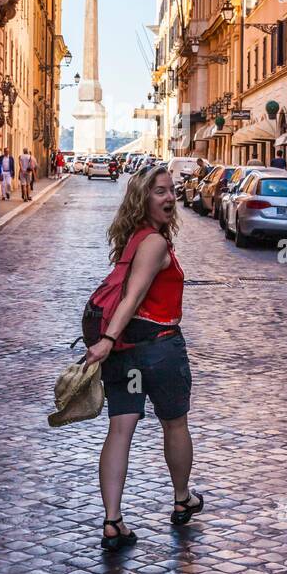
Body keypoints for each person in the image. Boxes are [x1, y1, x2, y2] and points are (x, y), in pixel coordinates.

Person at [85, 163, 201, 552]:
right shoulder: (153, 244)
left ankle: (113, 520)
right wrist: (105, 340)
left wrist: (110, 342)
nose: (170, 198)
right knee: (175, 424)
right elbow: (133, 297)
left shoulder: (134, 238)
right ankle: (182, 498)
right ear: (143, 199)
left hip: (125, 352)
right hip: (157, 347)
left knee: (120, 430)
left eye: (171, 190)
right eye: (160, 192)